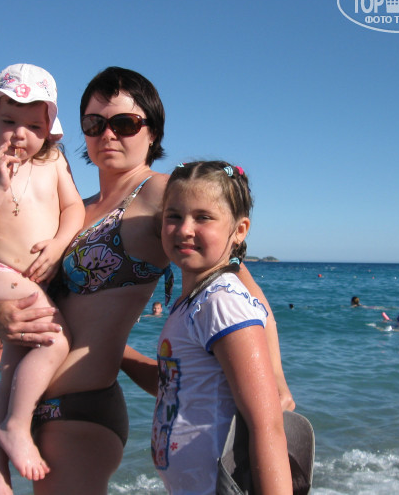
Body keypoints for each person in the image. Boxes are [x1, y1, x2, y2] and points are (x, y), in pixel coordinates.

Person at [0, 67, 294, 495]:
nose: (108, 134)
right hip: (29, 405)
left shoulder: (162, 194)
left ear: (152, 132)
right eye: (94, 123)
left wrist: (275, 379)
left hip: (82, 409)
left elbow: (238, 283)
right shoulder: (72, 207)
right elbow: (7, 271)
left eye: (124, 123)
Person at [124, 161, 292, 494]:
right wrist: (113, 351)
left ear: (239, 230)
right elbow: (173, 386)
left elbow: (268, 425)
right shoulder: (192, 302)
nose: (185, 229)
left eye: (203, 217)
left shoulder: (221, 302)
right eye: (174, 216)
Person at [0, 63, 84, 487]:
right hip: (0, 274)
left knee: (12, 372)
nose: (19, 134)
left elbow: (74, 208)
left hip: (37, 281)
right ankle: (16, 426)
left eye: (33, 126)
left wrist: (59, 243)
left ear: (48, 131)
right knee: (57, 339)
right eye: (8, 121)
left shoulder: (55, 162)